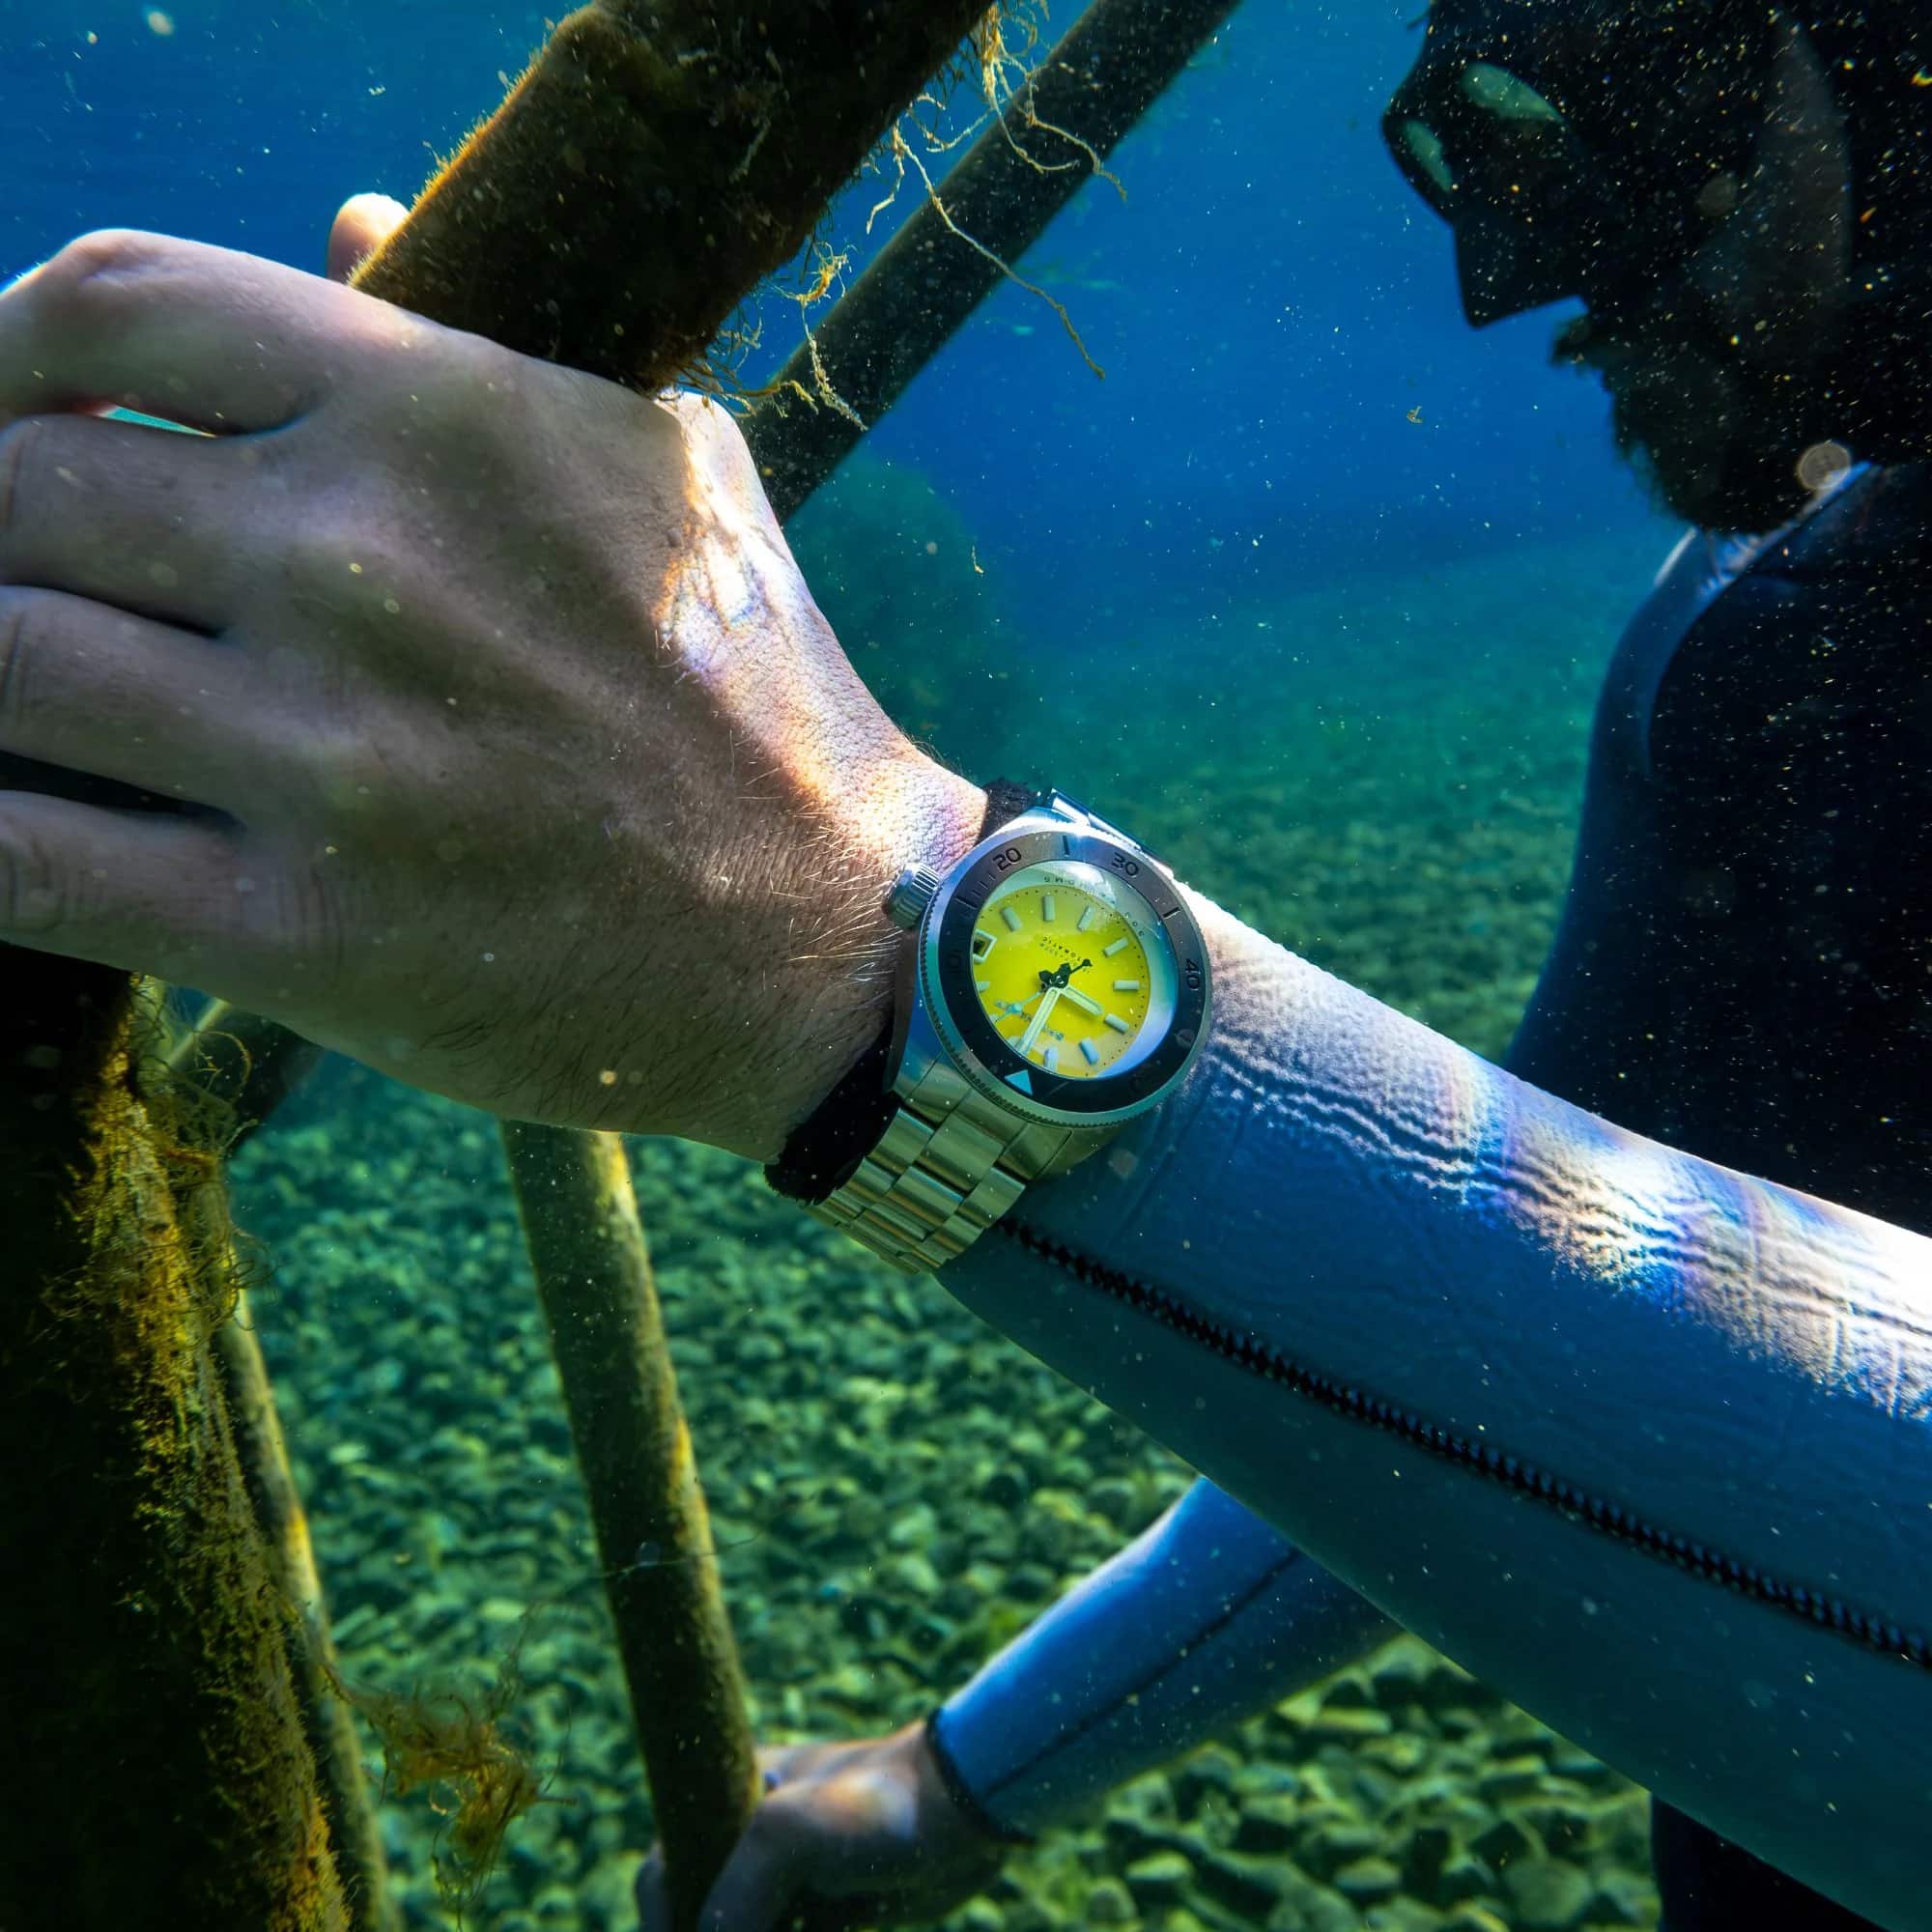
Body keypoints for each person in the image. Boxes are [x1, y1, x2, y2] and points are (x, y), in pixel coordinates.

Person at [0, 0, 1926, 1926]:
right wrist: (961, 1781)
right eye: (1468, 139)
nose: (1512, 274)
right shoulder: (1754, 647)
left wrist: (854, 952)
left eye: (1607, 81)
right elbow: (1529, 1367)